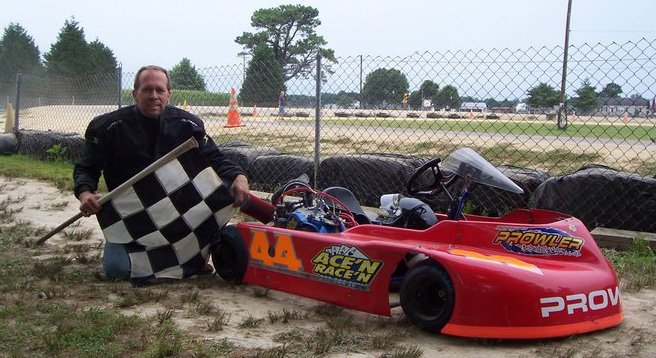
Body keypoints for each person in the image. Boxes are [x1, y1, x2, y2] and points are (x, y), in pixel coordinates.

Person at [74, 65, 249, 279]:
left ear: (168, 95)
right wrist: (85, 194)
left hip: (179, 212)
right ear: (135, 94)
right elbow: (86, 169)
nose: (153, 96)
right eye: (147, 90)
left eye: (160, 90)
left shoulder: (189, 125)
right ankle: (182, 263)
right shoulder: (107, 127)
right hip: (134, 219)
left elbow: (216, 159)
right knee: (117, 269)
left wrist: (239, 176)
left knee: (230, 187)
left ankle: (197, 251)